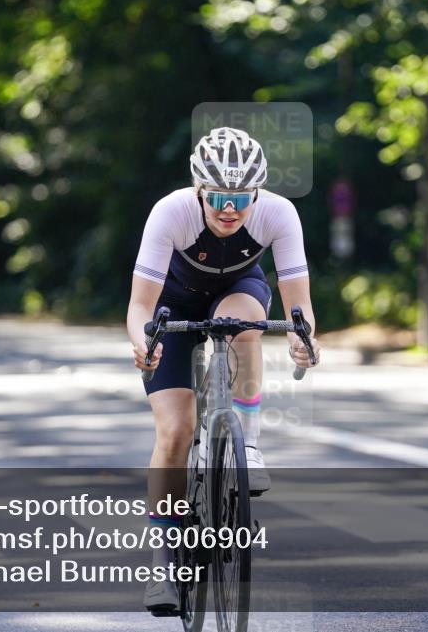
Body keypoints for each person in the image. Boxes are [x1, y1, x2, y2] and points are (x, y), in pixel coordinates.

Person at [127, 126, 321, 614]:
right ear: (199, 189)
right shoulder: (171, 212)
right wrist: (143, 344)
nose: (229, 208)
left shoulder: (279, 213)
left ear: (257, 192)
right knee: (175, 431)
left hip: (238, 291)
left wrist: (302, 339)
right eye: (217, 196)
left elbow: (299, 307)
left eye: (241, 197)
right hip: (171, 306)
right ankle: (162, 564)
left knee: (245, 326)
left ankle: (247, 444)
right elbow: (139, 306)